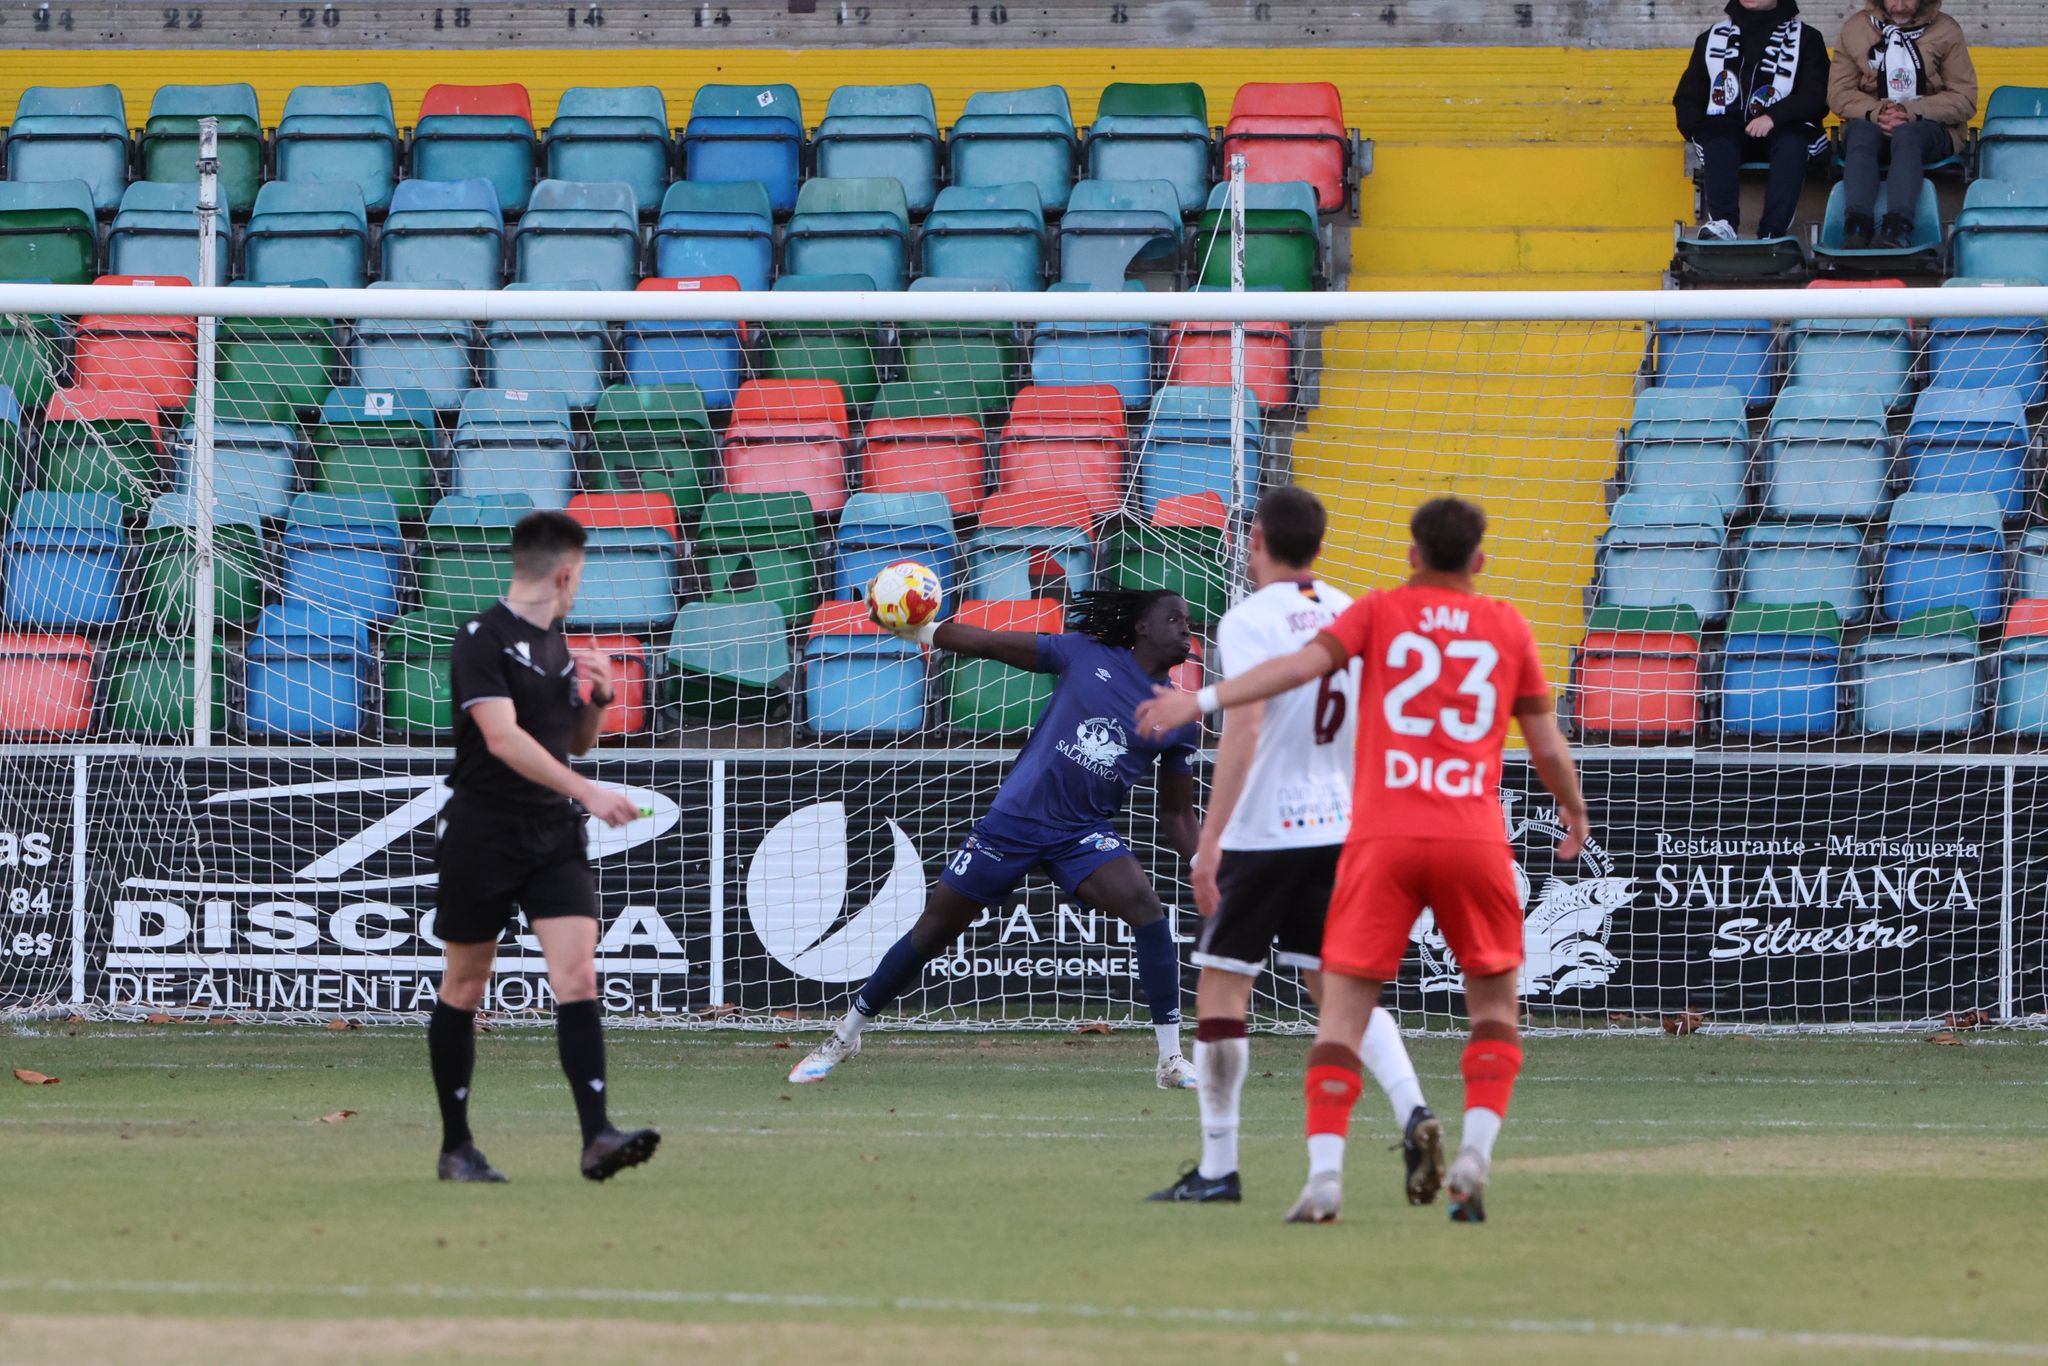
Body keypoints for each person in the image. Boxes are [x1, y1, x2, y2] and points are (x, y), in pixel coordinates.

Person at [1136, 497, 1589, 1225]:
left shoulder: (1349, 614)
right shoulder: (1377, 606)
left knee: (1242, 991)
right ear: (1479, 559)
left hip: (1291, 827)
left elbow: (1262, 705)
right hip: (1372, 825)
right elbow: (1542, 739)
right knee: (1386, 995)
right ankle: (1430, 1123)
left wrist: (1202, 738)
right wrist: (1573, 805)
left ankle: (1247, 1170)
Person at [1146, 487, 1438, 1208]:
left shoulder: (1248, 619)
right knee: (1336, 988)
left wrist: (1211, 841)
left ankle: (1219, 1167)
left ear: (1256, 540)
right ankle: (1413, 1109)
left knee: (1223, 988)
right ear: (1319, 543)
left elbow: (1243, 728)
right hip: (1339, 825)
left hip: (1266, 829)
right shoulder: (1347, 608)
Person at [790, 589, 1204, 1091]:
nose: (1186, 628)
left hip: (1082, 834)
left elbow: (1176, 812)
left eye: (1188, 620)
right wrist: (921, 630)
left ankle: (1170, 1060)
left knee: (1148, 912)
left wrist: (1203, 861)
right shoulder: (1085, 653)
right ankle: (845, 1035)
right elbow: (987, 643)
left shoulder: (1181, 715)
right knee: (932, 933)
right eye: (1174, 618)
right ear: (1141, 627)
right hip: (1014, 823)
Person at [428, 509, 661, 1184]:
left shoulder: (560, 645)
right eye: (579, 575)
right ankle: (456, 1147)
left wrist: (601, 698)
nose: (578, 588)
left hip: (552, 833)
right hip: (484, 832)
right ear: (563, 573)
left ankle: (597, 1138)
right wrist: (589, 793)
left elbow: (574, 743)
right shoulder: (482, 638)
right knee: (466, 983)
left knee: (578, 975)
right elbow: (501, 739)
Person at [1672, 0, 1832, 242]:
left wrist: (1774, 116)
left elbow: (1816, 95)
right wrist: (1699, 130)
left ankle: (1772, 233)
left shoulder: (1807, 38)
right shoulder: (1711, 38)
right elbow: (1688, 97)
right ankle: (1723, 225)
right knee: (1717, 135)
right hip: (1728, 132)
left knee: (1792, 142)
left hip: (1785, 129)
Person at [1829, 0, 1978, 249]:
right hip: (1872, 121)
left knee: (1908, 135)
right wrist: (1879, 112)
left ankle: (1898, 228)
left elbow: (1965, 98)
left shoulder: (1946, 30)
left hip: (1929, 127)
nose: (1899, 5)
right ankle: (1857, 226)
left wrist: (1909, 112)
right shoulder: (1856, 29)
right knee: (1861, 133)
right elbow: (1838, 93)